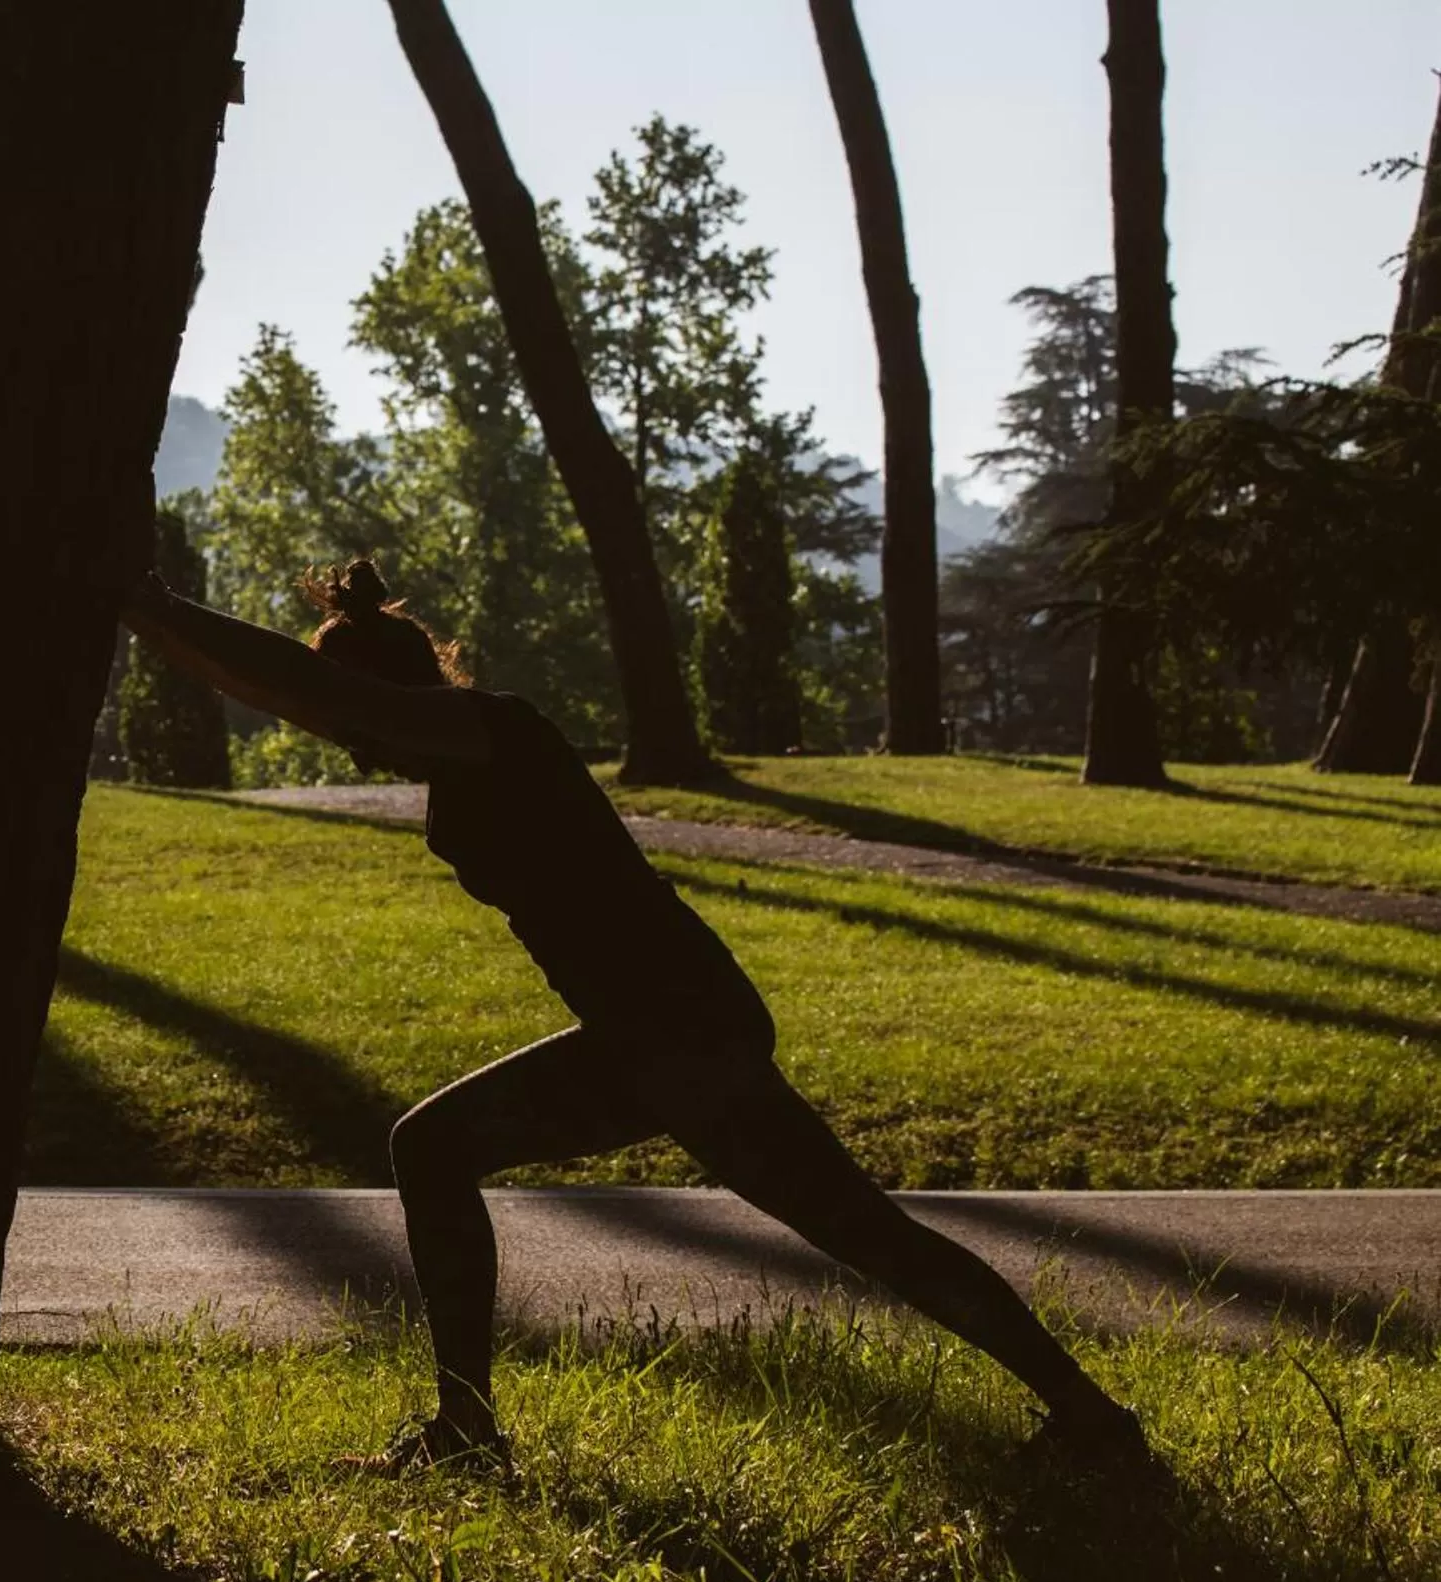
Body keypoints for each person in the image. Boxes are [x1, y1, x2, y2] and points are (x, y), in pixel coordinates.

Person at [121, 556, 1147, 1472]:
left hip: (672, 1026)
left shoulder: (490, 728)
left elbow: (303, 689)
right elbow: (299, 692)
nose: (348, 751)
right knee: (864, 1230)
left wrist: (152, 604)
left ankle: (467, 1428)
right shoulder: (463, 743)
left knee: (434, 1149)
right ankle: (1091, 1416)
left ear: (382, 691)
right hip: (668, 1022)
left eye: (354, 724)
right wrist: (151, 619)